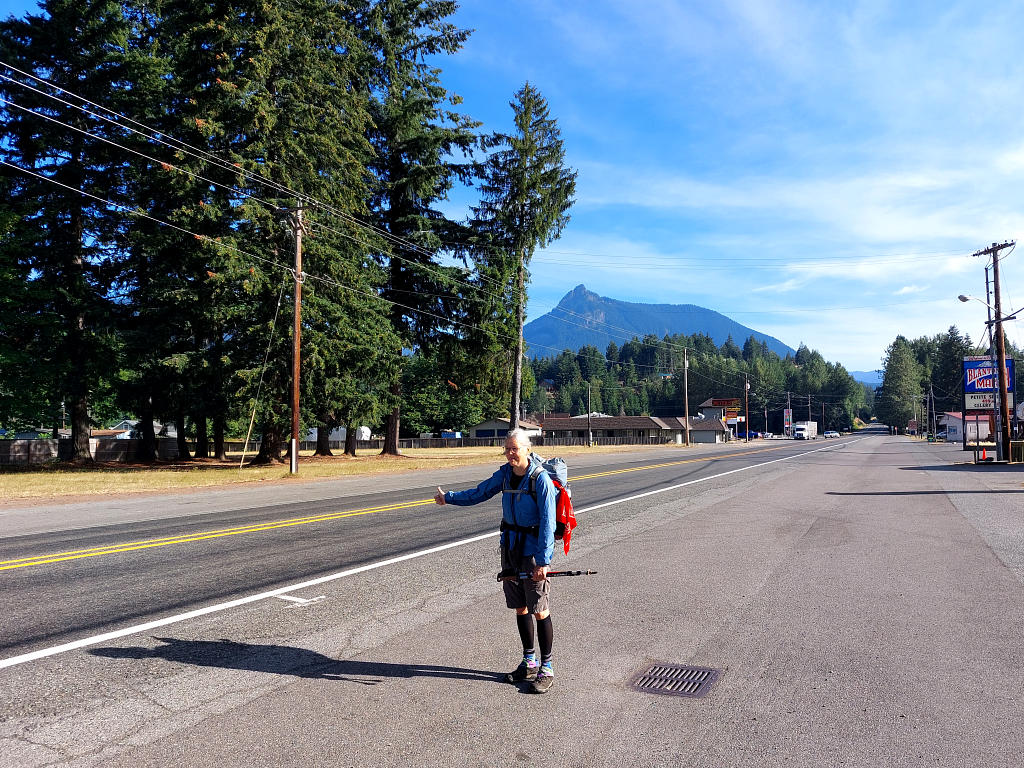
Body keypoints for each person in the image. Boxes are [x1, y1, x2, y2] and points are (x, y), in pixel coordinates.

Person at [434, 428, 558, 693]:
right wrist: (449, 498)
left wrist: (543, 561)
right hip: (510, 548)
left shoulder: (541, 480)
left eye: (514, 448)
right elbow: (479, 493)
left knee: (539, 608)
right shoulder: (504, 475)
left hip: (532, 553)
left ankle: (547, 668)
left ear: (527, 449)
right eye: (507, 448)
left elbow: (548, 523)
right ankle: (529, 663)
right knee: (520, 607)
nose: (510, 453)